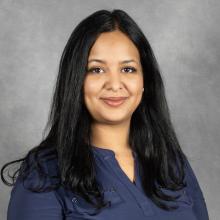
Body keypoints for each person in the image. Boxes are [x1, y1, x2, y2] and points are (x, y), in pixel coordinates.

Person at [1, 9, 209, 220]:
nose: (115, 84)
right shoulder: (44, 172)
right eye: (96, 70)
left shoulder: (172, 163)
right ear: (76, 82)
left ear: (145, 82)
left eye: (128, 69)